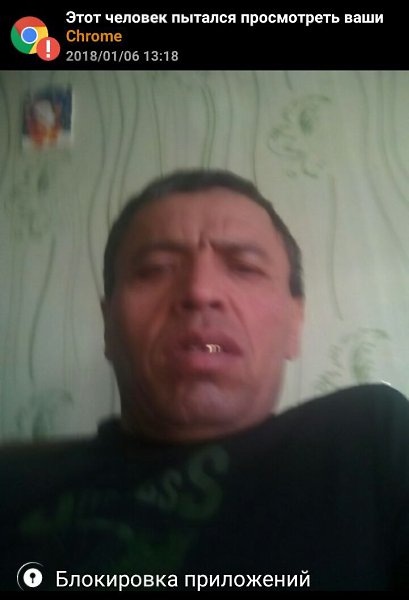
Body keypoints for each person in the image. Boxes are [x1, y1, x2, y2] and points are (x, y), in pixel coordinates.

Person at [0, 169, 408, 591]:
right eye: (155, 269)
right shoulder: (13, 483)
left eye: (245, 268)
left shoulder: (370, 444)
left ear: (295, 322)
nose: (199, 291)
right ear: (108, 324)